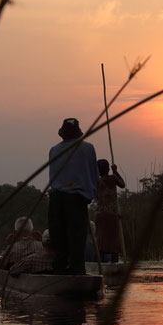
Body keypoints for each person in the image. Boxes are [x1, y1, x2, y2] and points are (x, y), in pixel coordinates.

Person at [48, 117, 99, 275]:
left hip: (57, 198)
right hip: (76, 199)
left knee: (58, 236)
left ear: (62, 134)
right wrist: (91, 194)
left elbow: (52, 178)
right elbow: (93, 175)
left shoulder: (54, 150)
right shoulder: (88, 148)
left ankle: (60, 269)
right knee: (76, 237)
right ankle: (76, 270)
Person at [94, 159, 125, 263]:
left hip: (100, 215)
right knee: (113, 242)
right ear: (108, 169)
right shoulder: (112, 178)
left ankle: (98, 264)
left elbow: (96, 196)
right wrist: (115, 171)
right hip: (111, 215)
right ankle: (114, 264)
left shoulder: (96, 182)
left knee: (100, 240)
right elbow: (122, 184)